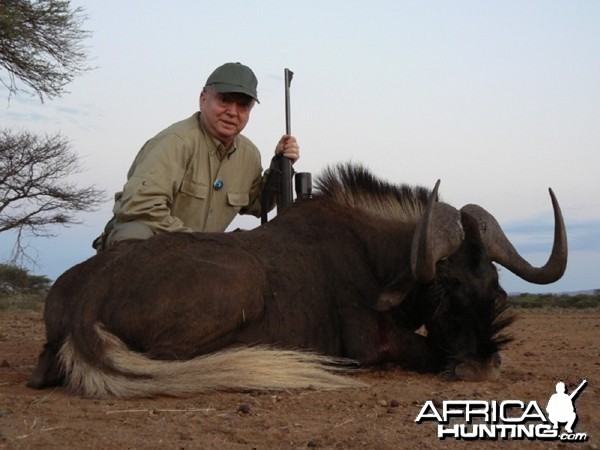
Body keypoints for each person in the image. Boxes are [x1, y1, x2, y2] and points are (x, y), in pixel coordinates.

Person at [93, 62, 299, 251]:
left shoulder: (250, 154)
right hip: (158, 240)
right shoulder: (175, 142)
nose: (232, 112)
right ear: (203, 99)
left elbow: (257, 205)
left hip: (200, 252)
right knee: (135, 236)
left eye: (243, 105)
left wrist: (280, 165)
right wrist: (200, 245)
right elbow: (139, 207)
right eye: (224, 100)